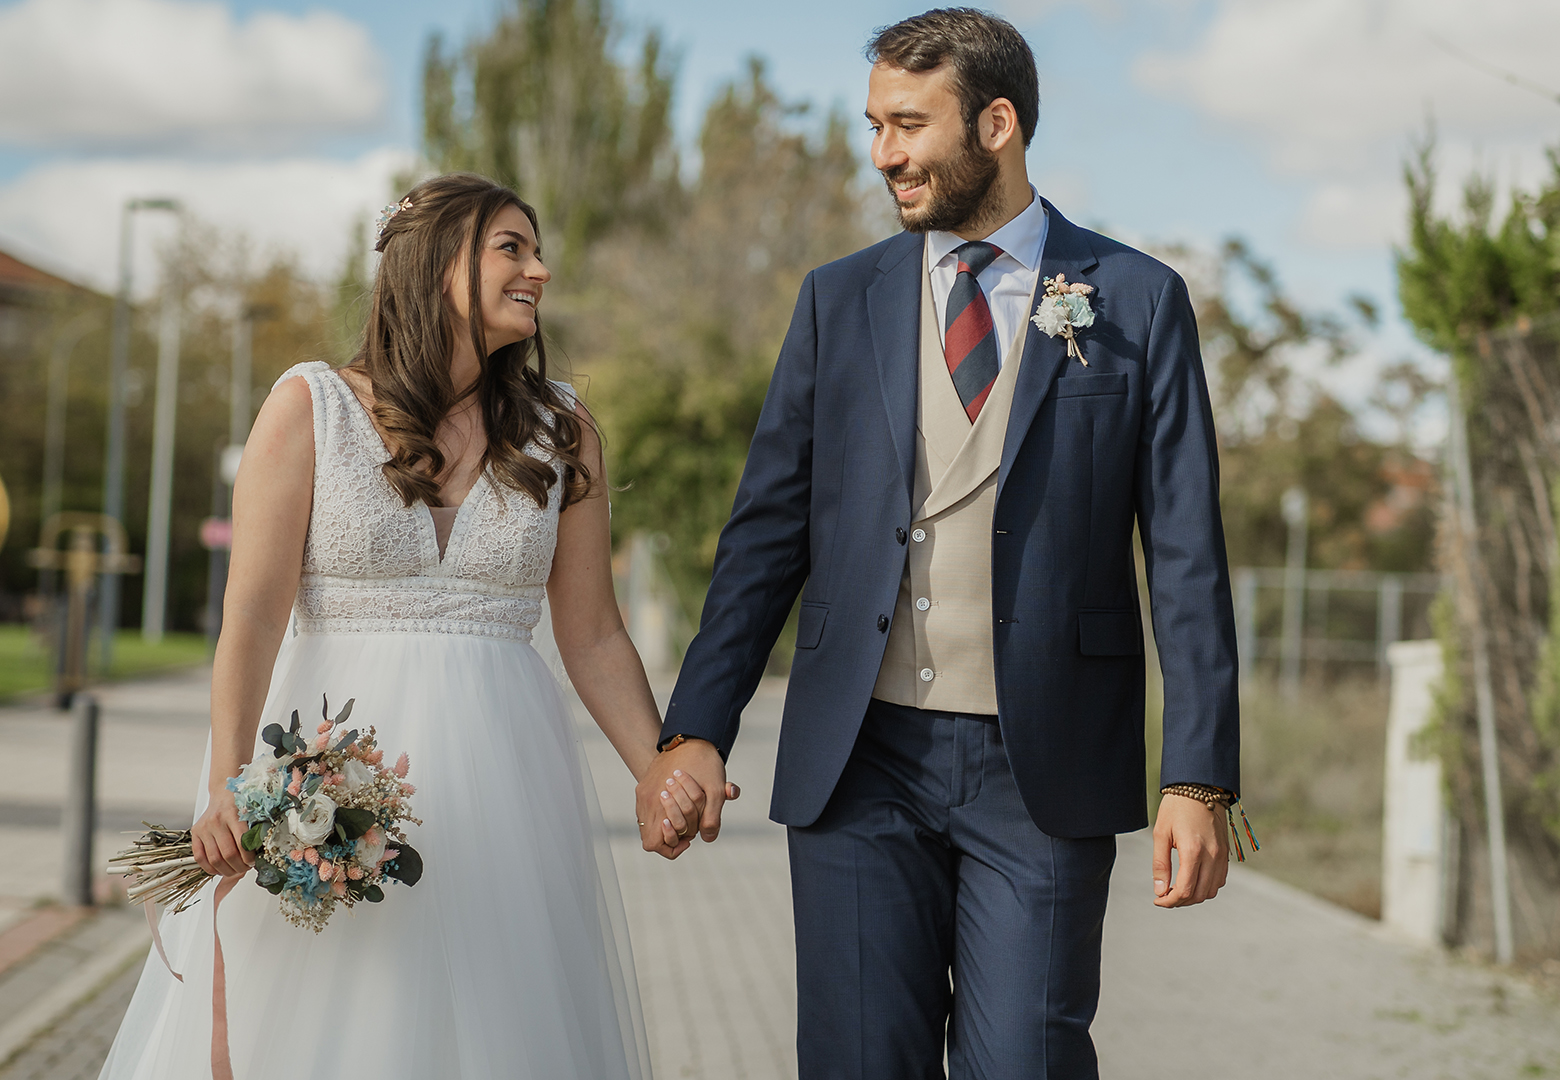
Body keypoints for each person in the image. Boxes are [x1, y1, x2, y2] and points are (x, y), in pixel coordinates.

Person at [648, 9, 1241, 1077]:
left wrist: (1197, 780)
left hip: (1044, 764)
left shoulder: (1137, 301)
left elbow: (1188, 555)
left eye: (910, 125)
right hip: (858, 757)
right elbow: (766, 533)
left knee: (1026, 1060)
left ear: (996, 124)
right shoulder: (837, 300)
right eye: (875, 126)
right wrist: (697, 725)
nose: (885, 153)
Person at [99, 173, 696, 1079]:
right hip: (325, 786)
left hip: (507, 791)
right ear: (437, 263)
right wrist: (227, 781)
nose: (539, 270)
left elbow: (595, 636)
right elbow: (252, 615)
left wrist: (658, 769)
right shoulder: (310, 406)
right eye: (512, 248)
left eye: (538, 252)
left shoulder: (562, 429)